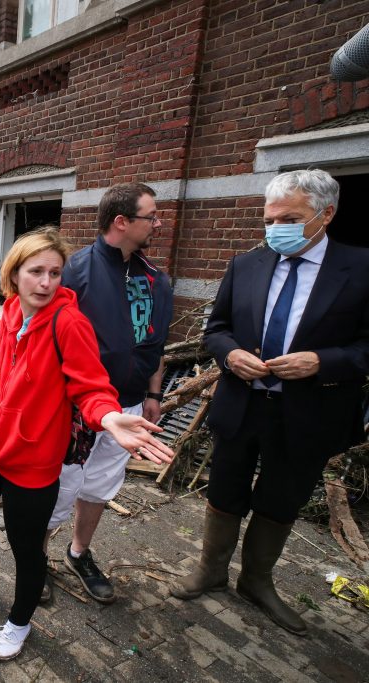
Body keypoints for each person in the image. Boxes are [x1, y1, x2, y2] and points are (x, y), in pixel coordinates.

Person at [171, 169, 369, 635]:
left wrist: (322, 361)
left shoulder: (360, 268)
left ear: (326, 215)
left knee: (282, 498)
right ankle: (211, 570)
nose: (275, 227)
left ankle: (257, 581)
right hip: (242, 404)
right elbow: (215, 329)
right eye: (269, 218)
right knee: (224, 491)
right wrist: (231, 354)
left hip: (309, 412)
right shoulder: (247, 265)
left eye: (290, 218)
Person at [0, 229, 174, 661]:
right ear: (14, 275)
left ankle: (19, 622)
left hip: (33, 459)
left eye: (55, 273)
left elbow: (91, 386)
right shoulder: (9, 311)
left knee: (27, 551)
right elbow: (0, 343)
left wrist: (110, 415)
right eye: (36, 272)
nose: (46, 283)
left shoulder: (69, 323)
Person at [43, 182, 173, 604]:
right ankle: (36, 557)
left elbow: (154, 343)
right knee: (61, 486)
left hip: (130, 406)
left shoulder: (153, 278)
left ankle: (78, 553)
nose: (158, 222)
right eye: (151, 216)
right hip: (77, 411)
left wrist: (153, 394)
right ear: (122, 222)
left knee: (99, 484)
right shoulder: (75, 272)